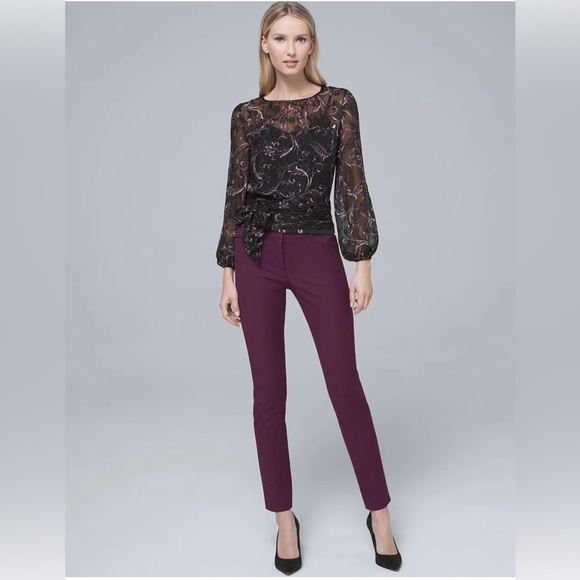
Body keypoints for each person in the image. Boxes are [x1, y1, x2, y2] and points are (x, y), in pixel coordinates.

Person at [215, 2, 402, 574]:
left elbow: (353, 183)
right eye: (280, 38)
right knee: (268, 392)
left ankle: (380, 514)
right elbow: (235, 192)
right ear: (264, 46)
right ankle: (284, 520)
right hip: (255, 254)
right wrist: (227, 271)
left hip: (317, 249)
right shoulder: (246, 115)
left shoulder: (338, 104)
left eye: (300, 38)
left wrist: (361, 261)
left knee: (344, 385)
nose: (290, 49)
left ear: (312, 45)